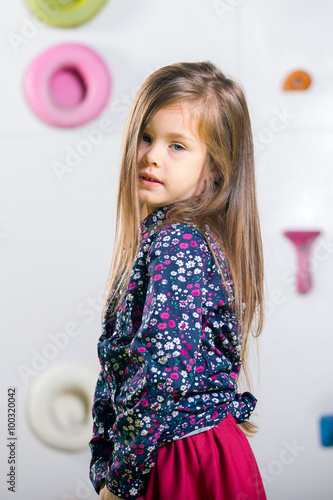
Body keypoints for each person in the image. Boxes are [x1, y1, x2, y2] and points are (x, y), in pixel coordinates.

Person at [89, 61, 267, 500]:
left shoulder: (178, 241)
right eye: (146, 137)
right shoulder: (180, 235)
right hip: (195, 449)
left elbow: (160, 372)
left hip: (180, 459)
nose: (151, 155)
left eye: (177, 146)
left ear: (214, 170)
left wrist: (120, 481)